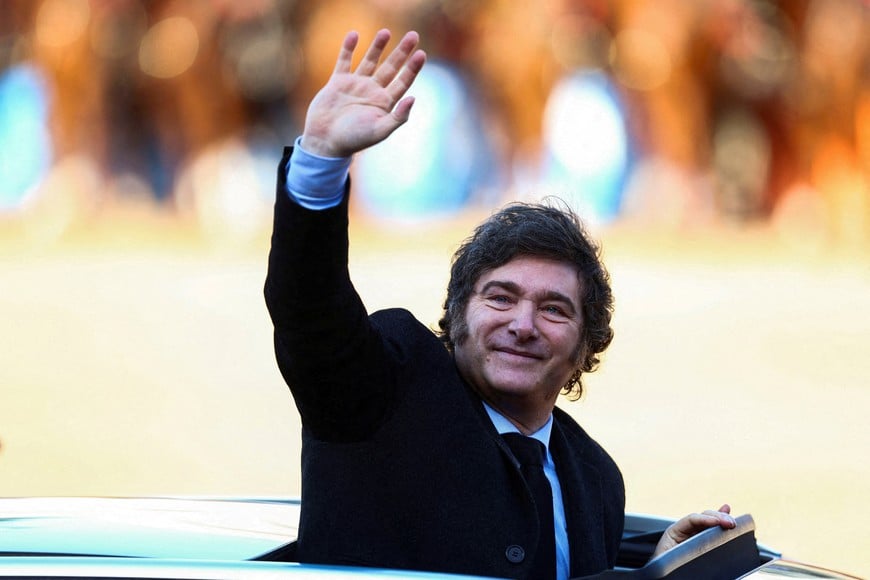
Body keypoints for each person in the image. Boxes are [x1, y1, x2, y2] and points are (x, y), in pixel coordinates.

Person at [263, 29, 735, 579]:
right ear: (457, 315)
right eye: (501, 297)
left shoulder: (595, 476)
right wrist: (320, 160)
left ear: (586, 347)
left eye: (555, 309)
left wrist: (658, 566)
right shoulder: (385, 389)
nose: (524, 325)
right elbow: (309, 309)